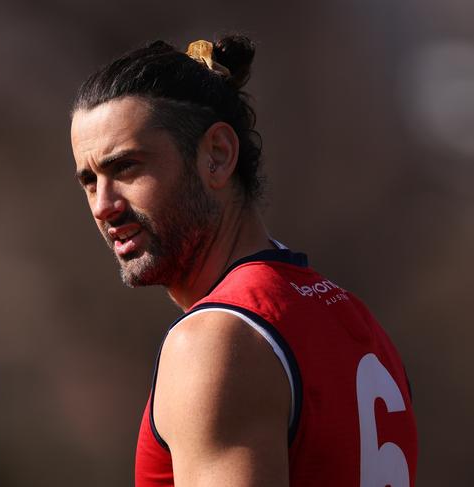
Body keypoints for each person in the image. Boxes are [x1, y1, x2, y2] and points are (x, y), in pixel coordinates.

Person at [70, 35, 417, 487]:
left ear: (217, 156)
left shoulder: (215, 342)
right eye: (89, 181)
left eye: (126, 168)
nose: (103, 205)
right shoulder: (353, 318)